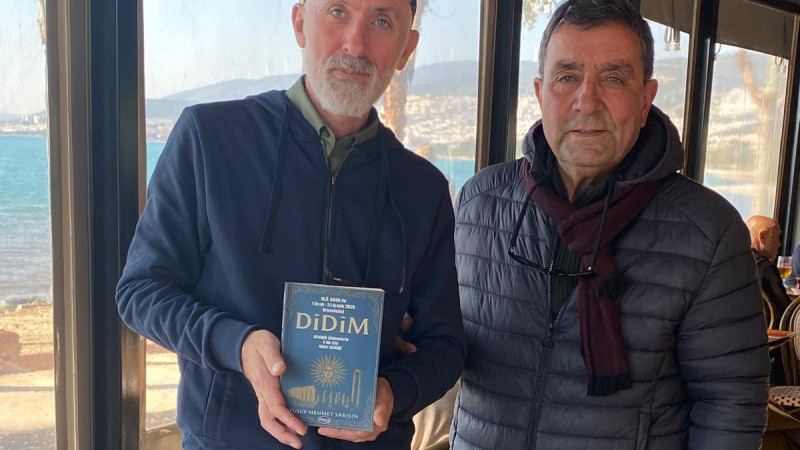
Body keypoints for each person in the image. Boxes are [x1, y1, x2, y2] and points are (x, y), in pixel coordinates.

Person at [116, 0, 466, 448]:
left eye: (382, 21)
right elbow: (142, 291)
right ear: (300, 23)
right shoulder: (210, 138)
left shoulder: (423, 190)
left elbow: (445, 346)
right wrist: (237, 344)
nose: (355, 44)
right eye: (337, 11)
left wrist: (393, 392)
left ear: (406, 49)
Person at [451, 1, 769, 448]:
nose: (587, 101)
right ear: (541, 93)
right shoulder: (479, 204)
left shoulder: (708, 232)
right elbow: (440, 342)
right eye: (567, 77)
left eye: (614, 78)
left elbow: (731, 404)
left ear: (645, 99)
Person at [747, 215, 792, 319]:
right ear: (762, 237)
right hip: (763, 327)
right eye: (777, 237)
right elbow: (786, 312)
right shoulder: (766, 268)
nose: (780, 244)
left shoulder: (731, 263)